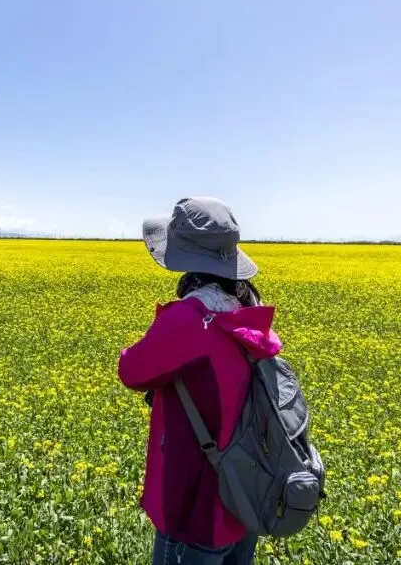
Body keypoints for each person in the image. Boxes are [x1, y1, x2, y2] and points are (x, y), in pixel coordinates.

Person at [118, 197, 282, 565]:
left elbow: (131, 370)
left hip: (195, 509)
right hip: (244, 498)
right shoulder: (248, 310)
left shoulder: (191, 317)